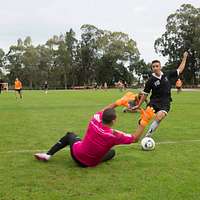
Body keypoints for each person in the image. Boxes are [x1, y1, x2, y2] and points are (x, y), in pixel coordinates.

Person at [34, 93, 155, 167]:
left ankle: (47, 154)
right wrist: (143, 122)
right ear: (114, 121)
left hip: (76, 155)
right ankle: (92, 157)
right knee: (112, 152)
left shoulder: (95, 119)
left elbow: (104, 109)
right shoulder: (114, 135)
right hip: (90, 163)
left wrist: (118, 103)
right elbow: (135, 139)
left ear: (102, 116)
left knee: (70, 135)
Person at [132, 52, 188, 137]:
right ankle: (135, 136)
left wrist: (184, 58)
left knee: (159, 117)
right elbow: (145, 94)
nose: (155, 68)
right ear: (152, 68)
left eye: (157, 66)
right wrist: (139, 105)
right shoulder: (150, 80)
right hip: (153, 102)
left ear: (160, 67)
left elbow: (180, 69)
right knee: (144, 120)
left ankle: (147, 136)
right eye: (153, 66)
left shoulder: (167, 74)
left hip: (165, 102)